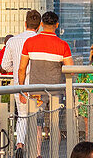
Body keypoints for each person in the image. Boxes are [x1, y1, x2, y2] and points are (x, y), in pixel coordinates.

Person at [18, 12, 74, 142]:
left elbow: (22, 68)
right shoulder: (63, 45)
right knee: (55, 125)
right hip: (56, 90)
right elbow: (71, 71)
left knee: (37, 124)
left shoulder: (30, 42)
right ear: (57, 25)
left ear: (41, 24)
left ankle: (37, 154)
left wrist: (22, 89)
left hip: (35, 90)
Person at [3, 10, 41, 158]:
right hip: (39, 84)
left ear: (25, 23)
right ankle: (38, 154)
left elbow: (5, 66)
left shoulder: (13, 41)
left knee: (23, 116)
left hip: (19, 84)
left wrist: (16, 69)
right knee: (39, 121)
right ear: (39, 26)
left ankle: (20, 145)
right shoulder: (40, 40)